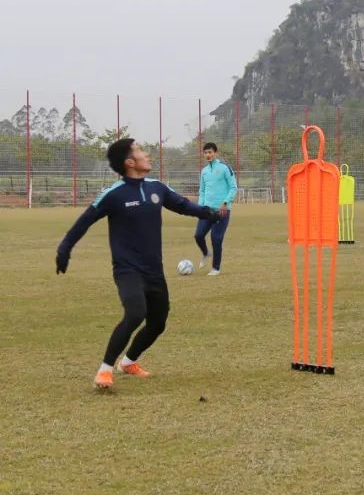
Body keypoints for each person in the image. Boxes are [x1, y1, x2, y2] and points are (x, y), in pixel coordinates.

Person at [56, 138, 220, 389]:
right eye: (141, 152)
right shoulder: (113, 194)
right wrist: (65, 248)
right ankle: (104, 370)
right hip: (127, 270)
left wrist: (207, 212)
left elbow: (182, 205)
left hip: (154, 270)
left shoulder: (157, 187)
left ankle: (129, 362)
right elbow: (84, 221)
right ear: (130, 162)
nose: (147, 155)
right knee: (135, 313)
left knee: (158, 322)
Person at [195, 142, 237, 275]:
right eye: (206, 153)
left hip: (222, 211)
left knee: (216, 238)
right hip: (207, 210)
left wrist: (225, 202)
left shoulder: (225, 168)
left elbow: (233, 187)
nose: (208, 155)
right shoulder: (204, 171)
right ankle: (206, 253)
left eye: (210, 152)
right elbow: (202, 191)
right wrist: (200, 207)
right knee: (198, 235)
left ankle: (216, 268)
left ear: (215, 153)